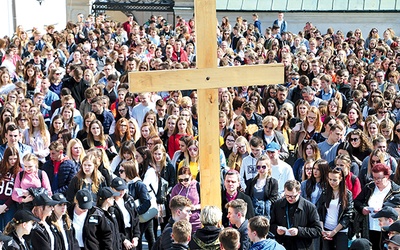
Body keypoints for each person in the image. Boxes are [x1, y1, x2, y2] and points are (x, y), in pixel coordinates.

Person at [354, 163, 400, 250]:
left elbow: (397, 209)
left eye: (379, 178)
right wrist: (362, 208)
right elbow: (356, 201)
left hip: (387, 228)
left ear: (387, 176)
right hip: (369, 226)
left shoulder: (396, 190)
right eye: (374, 178)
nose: (376, 181)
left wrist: (383, 211)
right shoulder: (369, 187)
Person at [270, 180, 322, 250]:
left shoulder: (309, 207)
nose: (289, 199)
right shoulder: (278, 204)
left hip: (302, 245)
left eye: (293, 196)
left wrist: (299, 231)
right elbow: (271, 225)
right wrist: (276, 229)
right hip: (283, 244)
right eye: (287, 196)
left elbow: (317, 230)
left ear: (299, 193)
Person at [317, 167, 354, 250]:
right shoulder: (325, 192)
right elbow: (320, 211)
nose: (331, 182)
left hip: (340, 230)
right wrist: (322, 229)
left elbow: (348, 215)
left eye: (334, 180)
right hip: (326, 229)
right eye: (330, 179)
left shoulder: (347, 195)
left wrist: (334, 232)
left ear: (341, 179)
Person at [110, 177, 140, 250]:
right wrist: (123, 239)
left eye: (123, 189)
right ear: (111, 189)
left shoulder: (129, 200)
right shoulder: (109, 204)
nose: (121, 192)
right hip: (117, 237)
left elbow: (135, 218)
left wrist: (136, 236)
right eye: (118, 190)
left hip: (130, 233)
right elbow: (112, 226)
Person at [170, 166, 201, 232]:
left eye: (186, 179)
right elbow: (171, 204)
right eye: (181, 180)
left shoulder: (197, 186)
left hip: (196, 221)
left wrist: (195, 207)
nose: (183, 182)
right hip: (180, 221)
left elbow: (205, 203)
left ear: (191, 176)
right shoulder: (176, 188)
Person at [0, 147, 21, 231]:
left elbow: (15, 192)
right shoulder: (1, 168)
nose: (13, 161)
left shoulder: (18, 171)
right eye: (10, 159)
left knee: (7, 230)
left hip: (9, 204)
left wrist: (4, 206)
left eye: (15, 159)